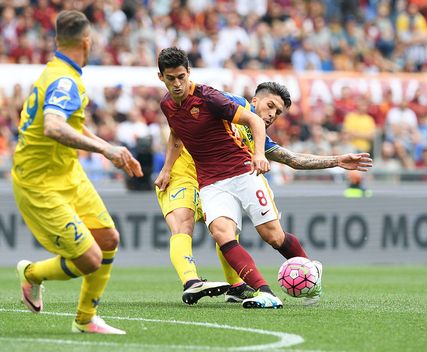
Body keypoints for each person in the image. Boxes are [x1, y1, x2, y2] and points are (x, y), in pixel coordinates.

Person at [155, 48, 372, 307]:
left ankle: (308, 272)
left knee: (273, 236)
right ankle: (256, 290)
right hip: (205, 178)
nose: (271, 115)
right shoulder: (222, 100)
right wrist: (167, 168)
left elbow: (292, 159)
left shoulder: (256, 135)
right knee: (220, 232)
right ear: (254, 100)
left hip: (240, 173)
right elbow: (178, 127)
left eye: (278, 113)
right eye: (270, 106)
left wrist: (336, 161)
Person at [12, 11, 143, 334]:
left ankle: (85, 319)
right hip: (39, 181)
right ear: (87, 41)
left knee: (109, 238)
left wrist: (111, 147)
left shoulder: (60, 72)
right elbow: (54, 126)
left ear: (58, 41)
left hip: (67, 172)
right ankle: (31, 274)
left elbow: (73, 127)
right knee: (90, 259)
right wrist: (105, 150)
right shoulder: (65, 80)